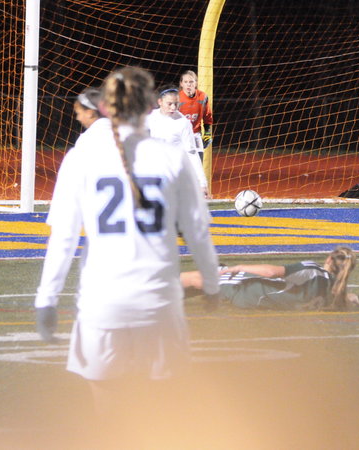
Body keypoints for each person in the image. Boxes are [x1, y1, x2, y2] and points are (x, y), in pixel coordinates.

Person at [34, 66, 220, 440]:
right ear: (149, 106)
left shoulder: (80, 158)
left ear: (105, 106)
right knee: (164, 416)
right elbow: (198, 233)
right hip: (159, 302)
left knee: (108, 421)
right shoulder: (171, 158)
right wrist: (212, 286)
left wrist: (46, 299)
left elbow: (64, 239)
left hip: (102, 302)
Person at [181, 246, 359, 311]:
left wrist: (240, 267)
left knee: (198, 278)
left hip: (250, 291)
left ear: (329, 259)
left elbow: (271, 272)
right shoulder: (333, 295)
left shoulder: (312, 270)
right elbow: (349, 298)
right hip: (257, 299)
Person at [146, 86, 210, 198]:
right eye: (169, 104)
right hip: (153, 172)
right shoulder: (149, 118)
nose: (173, 107)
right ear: (160, 102)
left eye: (176, 103)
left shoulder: (183, 123)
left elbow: (192, 153)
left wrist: (202, 183)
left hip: (174, 175)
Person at [178, 70, 213, 161]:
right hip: (180, 136)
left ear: (196, 83)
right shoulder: (177, 98)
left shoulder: (203, 97)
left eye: (191, 82)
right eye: (185, 82)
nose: (188, 84)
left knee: (198, 164)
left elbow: (207, 117)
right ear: (181, 84)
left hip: (195, 134)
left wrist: (208, 133)